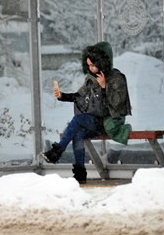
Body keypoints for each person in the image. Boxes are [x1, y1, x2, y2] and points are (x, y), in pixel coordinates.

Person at [41, 41, 132, 183]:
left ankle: (57, 151)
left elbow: (116, 103)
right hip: (94, 120)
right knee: (78, 134)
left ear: (103, 62)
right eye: (89, 65)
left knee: (77, 120)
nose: (91, 68)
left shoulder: (117, 78)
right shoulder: (90, 79)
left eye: (94, 65)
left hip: (109, 122)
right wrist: (62, 96)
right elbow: (79, 96)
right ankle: (80, 174)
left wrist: (103, 87)